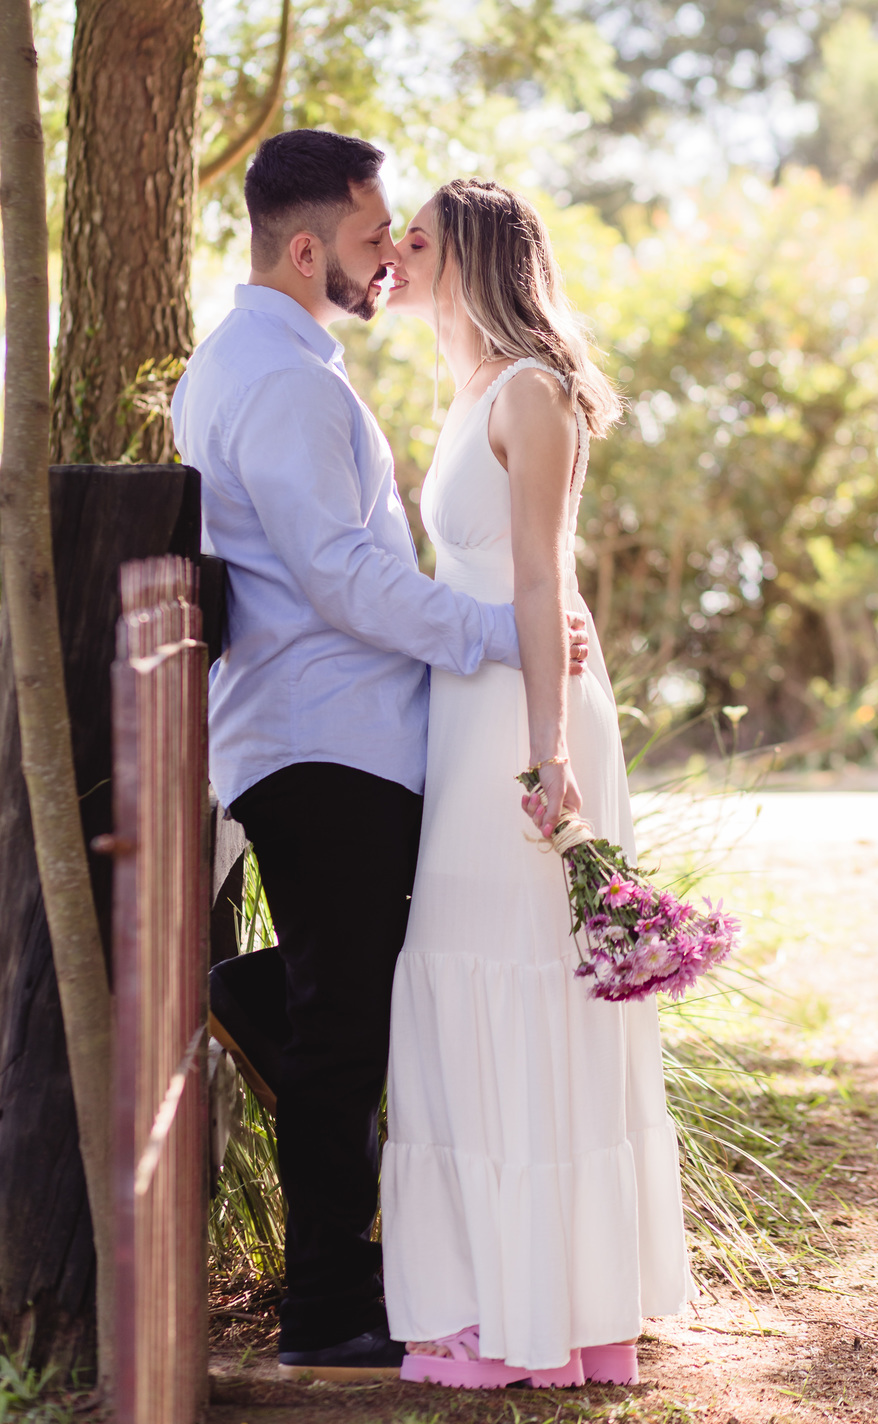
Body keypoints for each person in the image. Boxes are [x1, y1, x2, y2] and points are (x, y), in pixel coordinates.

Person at [170, 132, 591, 1382]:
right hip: (326, 735)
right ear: (307, 249)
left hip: (320, 730)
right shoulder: (289, 381)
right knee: (347, 1031)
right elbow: (343, 578)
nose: (382, 258)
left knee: (347, 1001)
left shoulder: (250, 359)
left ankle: (259, 1000)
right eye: (367, 237)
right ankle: (325, 1314)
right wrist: (501, 636)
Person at [379, 179, 693, 1388]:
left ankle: (552, 1317)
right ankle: (500, 1302)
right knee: (467, 972)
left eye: (417, 239)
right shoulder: (461, 391)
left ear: (470, 258)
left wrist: (552, 755)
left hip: (527, 717)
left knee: (527, 980)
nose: (395, 255)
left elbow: (540, 583)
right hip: (466, 714)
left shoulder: (533, 391)